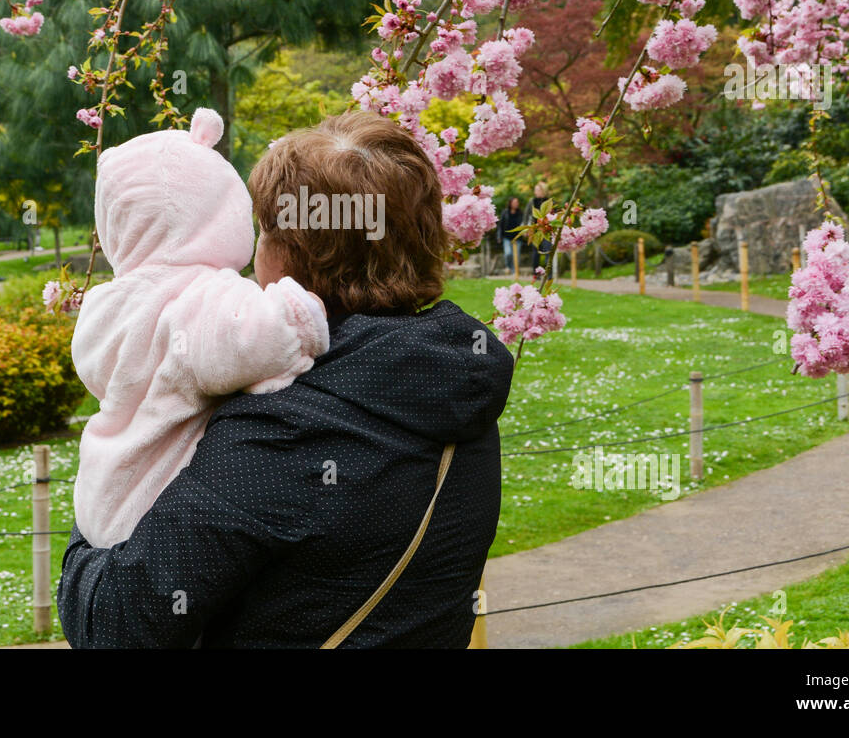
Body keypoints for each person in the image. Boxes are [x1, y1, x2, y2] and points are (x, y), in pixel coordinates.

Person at [57, 111, 514, 647]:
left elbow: (115, 624)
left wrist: (115, 462)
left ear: (293, 253)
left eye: (264, 228)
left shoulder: (284, 429)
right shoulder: (456, 377)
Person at [70, 107, 329, 550]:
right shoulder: (201, 299)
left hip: (104, 494)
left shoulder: (106, 304)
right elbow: (254, 339)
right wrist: (299, 309)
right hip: (161, 504)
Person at [497, 196, 524, 274]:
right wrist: (499, 236)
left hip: (517, 238)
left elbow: (523, 224)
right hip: (507, 237)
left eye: (517, 202)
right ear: (510, 203)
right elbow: (500, 225)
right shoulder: (505, 212)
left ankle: (514, 271)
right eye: (515, 202)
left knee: (516, 256)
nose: (516, 204)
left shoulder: (520, 213)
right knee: (508, 253)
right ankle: (508, 267)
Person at [530, 182, 549, 269]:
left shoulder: (549, 202)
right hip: (535, 230)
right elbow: (527, 216)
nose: (535, 192)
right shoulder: (532, 202)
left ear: (543, 190)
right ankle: (535, 273)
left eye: (537, 190)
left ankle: (548, 274)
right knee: (535, 252)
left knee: (548, 251)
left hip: (547, 231)